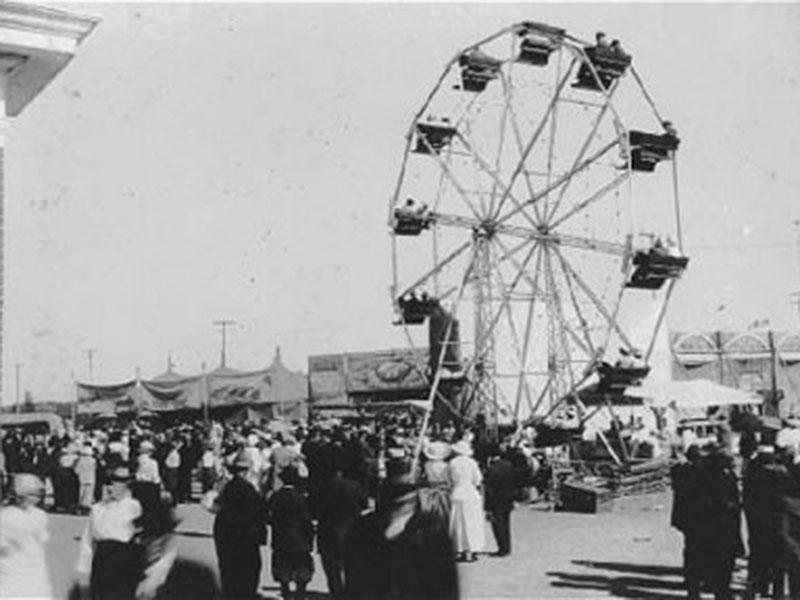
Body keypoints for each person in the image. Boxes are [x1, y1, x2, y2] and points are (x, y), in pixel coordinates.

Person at [76, 465, 143, 600]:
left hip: (124, 560)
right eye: (107, 484)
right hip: (102, 559)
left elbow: (143, 538)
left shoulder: (134, 507)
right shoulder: (97, 508)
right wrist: (84, 568)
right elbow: (88, 539)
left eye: (115, 484)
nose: (109, 488)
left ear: (127, 485)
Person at [212, 450, 269, 599]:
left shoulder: (227, 487)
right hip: (245, 535)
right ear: (247, 470)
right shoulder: (248, 489)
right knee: (247, 571)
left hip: (226, 533)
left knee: (229, 570)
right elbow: (260, 510)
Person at [0, 473, 54, 598]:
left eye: (38, 495)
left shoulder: (40, 515)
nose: (36, 498)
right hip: (12, 567)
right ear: (19, 495)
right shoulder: (6, 516)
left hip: (36, 566)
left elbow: (42, 538)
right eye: (32, 494)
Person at [316, 465, 364, 598]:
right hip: (351, 528)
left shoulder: (325, 486)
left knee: (331, 565)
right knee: (351, 563)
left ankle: (336, 592)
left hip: (329, 528)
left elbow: (318, 507)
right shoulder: (356, 486)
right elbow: (364, 504)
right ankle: (351, 591)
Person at [267, 466, 315, 600]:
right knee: (301, 568)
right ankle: (300, 593)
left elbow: (269, 516)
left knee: (283, 567)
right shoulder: (300, 498)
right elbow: (306, 520)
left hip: (281, 536)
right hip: (299, 537)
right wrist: (310, 537)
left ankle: (286, 592)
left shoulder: (275, 496)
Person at [448, 439, 485, 562]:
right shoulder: (472, 463)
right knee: (472, 523)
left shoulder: (452, 463)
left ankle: (459, 549)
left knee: (458, 524)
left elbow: (449, 480)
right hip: (471, 494)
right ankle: (472, 549)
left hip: (457, 493)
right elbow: (477, 479)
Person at [484, 440, 516, 557]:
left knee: (498, 525)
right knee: (506, 524)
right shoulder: (508, 465)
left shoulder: (491, 469)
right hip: (507, 499)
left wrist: (487, 506)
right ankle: (507, 547)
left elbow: (489, 489)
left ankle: (501, 548)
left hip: (496, 501)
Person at [75, 443, 97, 514]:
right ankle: (87, 506)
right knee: (89, 494)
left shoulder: (80, 460)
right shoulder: (93, 461)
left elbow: (77, 470)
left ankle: (81, 506)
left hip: (82, 479)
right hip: (91, 479)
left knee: (81, 493)